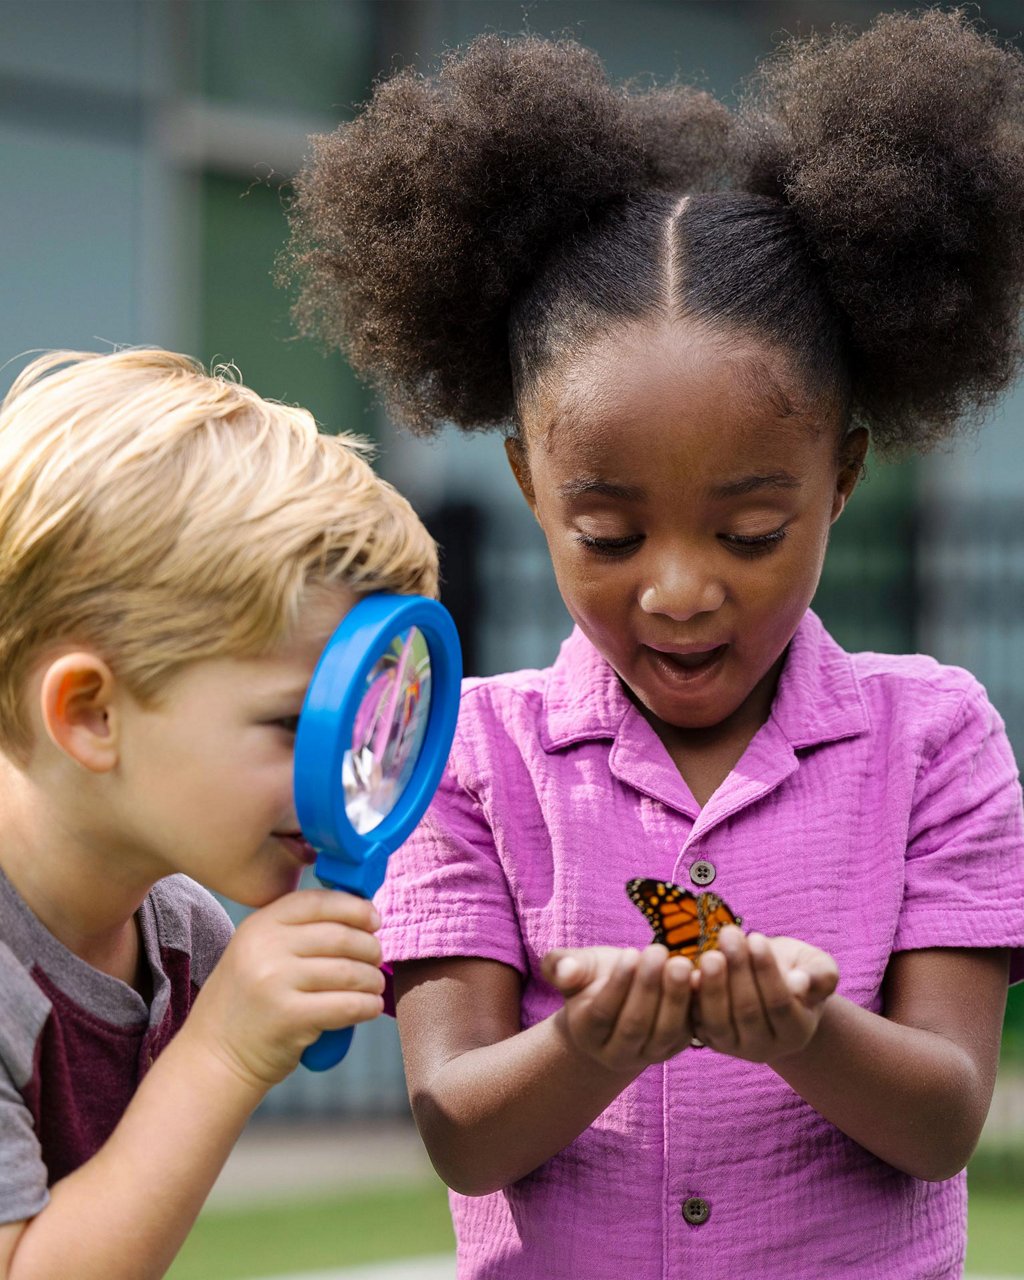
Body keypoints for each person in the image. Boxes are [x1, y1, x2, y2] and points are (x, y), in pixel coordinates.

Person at [280, 11, 1024, 1278]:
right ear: (527, 485)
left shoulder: (937, 738)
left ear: (840, 480)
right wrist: (590, 1045)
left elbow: (944, 1114)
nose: (680, 591)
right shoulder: (467, 755)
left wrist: (799, 1032)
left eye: (748, 531)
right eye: (611, 535)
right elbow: (458, 1125)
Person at [0, 348, 437, 1279]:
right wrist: (223, 1056)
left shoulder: (182, 936)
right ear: (91, 714)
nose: (342, 770)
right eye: (294, 724)